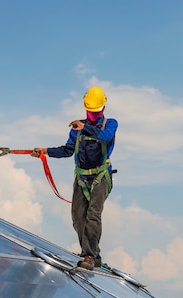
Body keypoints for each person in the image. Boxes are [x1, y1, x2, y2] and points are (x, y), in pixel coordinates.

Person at [31, 86, 118, 270]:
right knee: (78, 217)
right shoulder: (77, 128)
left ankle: (88, 256)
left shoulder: (110, 124)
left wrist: (85, 127)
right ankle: (94, 254)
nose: (93, 115)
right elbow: (68, 150)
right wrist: (45, 151)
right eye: (90, 112)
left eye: (95, 112)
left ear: (102, 108)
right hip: (81, 177)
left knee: (93, 214)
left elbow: (104, 137)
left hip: (100, 176)